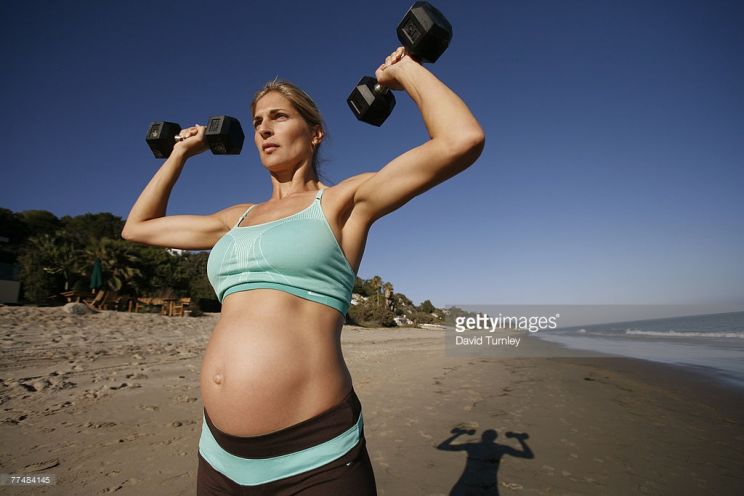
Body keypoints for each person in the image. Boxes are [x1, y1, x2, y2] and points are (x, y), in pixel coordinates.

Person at [122, 46, 484, 495]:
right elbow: (137, 229)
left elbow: (460, 140)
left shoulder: (342, 202)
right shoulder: (232, 219)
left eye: (278, 117)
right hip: (218, 458)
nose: (264, 129)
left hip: (317, 459)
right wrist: (181, 153)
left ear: (315, 133)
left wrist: (403, 71)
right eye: (257, 122)